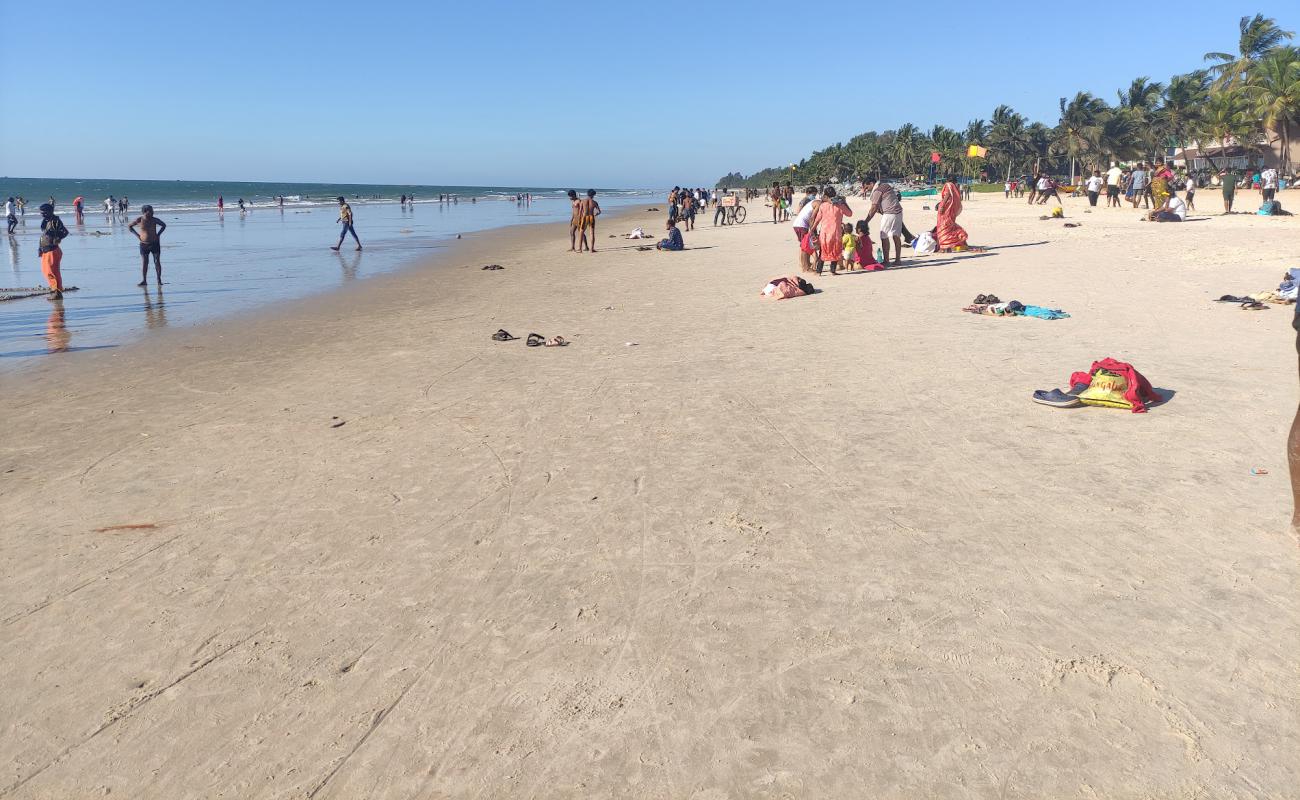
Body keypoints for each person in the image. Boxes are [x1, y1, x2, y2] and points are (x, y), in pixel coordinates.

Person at [811, 187, 852, 276]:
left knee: (823, 252)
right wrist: (844, 202)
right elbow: (850, 214)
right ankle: (832, 271)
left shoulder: (823, 206)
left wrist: (812, 230)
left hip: (825, 233)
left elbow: (817, 219)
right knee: (835, 251)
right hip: (836, 233)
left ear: (825, 196)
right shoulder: (840, 206)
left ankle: (819, 271)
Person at [864, 179, 904, 267]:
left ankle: (886, 260)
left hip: (889, 214)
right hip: (898, 212)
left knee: (884, 235)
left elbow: (874, 208)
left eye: (867, 187)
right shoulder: (886, 185)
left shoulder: (877, 190)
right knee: (896, 235)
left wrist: (866, 221)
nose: (867, 190)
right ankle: (898, 260)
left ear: (871, 183)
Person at [128, 205, 167, 286]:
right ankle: (144, 280)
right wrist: (138, 236)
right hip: (144, 244)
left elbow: (163, 225)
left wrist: (158, 234)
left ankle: (159, 280)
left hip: (155, 243)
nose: (153, 212)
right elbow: (130, 226)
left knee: (157, 261)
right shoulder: (139, 220)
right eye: (151, 211)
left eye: (152, 210)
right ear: (145, 212)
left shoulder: (154, 220)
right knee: (145, 262)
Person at [37, 203, 68, 296]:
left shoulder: (55, 221)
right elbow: (44, 235)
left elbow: (65, 232)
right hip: (45, 250)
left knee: (50, 272)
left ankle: (56, 292)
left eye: (44, 212)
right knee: (48, 271)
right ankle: (56, 290)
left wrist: (57, 238)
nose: (42, 214)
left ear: (50, 211)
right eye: (41, 212)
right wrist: (40, 248)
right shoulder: (46, 220)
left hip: (52, 250)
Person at [935, 177, 969, 250]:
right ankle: (958, 239)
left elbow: (947, 195)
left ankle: (946, 244)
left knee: (944, 225)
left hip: (946, 208)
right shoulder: (955, 187)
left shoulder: (948, 185)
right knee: (950, 224)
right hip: (950, 209)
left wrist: (942, 206)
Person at [791, 188, 819, 273]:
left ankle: (805, 264)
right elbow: (811, 219)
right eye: (814, 194)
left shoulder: (811, 201)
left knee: (804, 245)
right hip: (802, 225)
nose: (814, 196)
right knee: (805, 247)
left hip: (800, 224)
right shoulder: (815, 202)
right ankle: (805, 267)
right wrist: (813, 232)